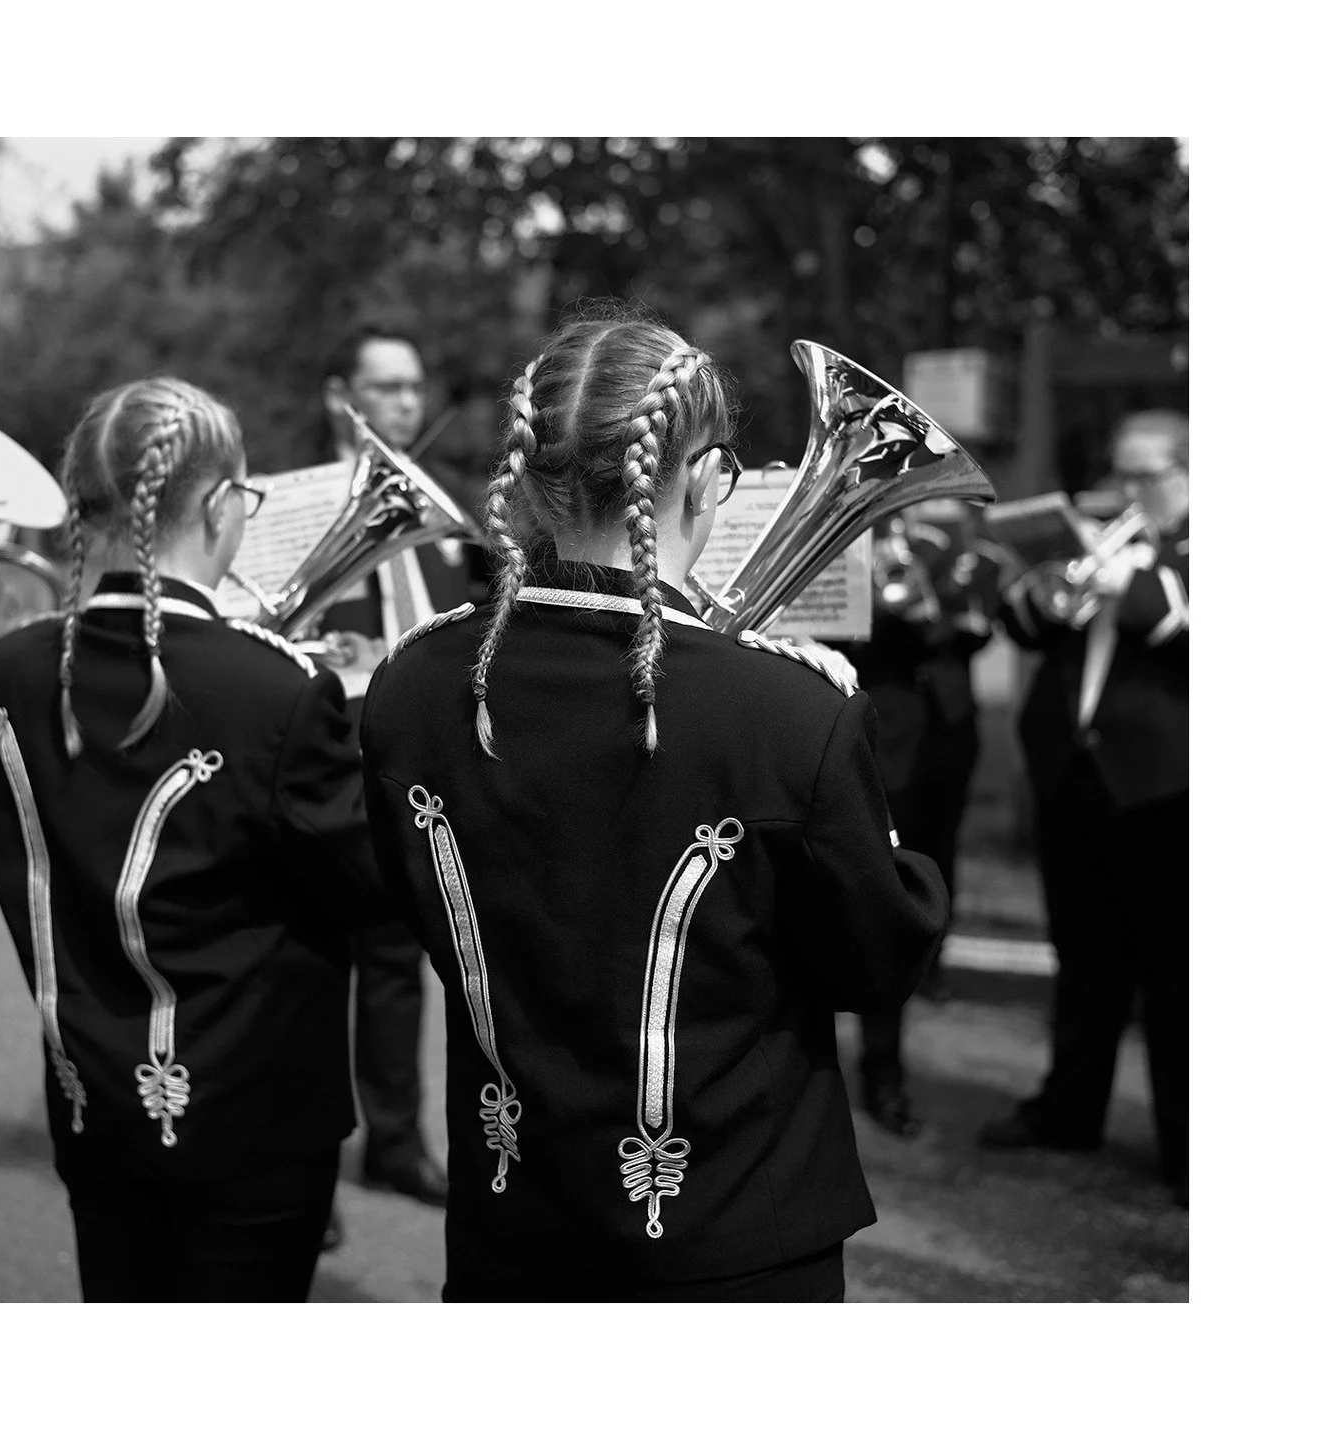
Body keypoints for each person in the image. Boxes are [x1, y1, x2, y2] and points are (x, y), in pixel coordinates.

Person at [358, 305, 950, 1301]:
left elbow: (421, 911)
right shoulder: (791, 711)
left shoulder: (412, 683)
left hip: (512, 1223)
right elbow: (877, 955)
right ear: (714, 479)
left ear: (533, 469)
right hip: (733, 1243)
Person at [0, 377, 388, 1300]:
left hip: (88, 1097)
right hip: (253, 1120)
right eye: (243, 499)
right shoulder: (276, 690)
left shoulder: (14, 665)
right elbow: (371, 884)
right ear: (212, 504)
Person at [979, 411, 1189, 1205]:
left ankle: (1187, 1148)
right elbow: (1023, 630)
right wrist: (1043, 594)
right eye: (1121, 473)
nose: (1128, 490)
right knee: (1084, 959)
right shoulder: (1106, 537)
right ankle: (1069, 1111)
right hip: (1076, 778)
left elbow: (1181, 620)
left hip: (1166, 787)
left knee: (1177, 976)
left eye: (1145, 475)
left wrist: (1119, 579)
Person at [308, 327, 461, 1235]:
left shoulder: (438, 515)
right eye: (387, 386)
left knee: (400, 968)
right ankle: (309, 1167)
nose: (407, 402)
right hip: (326, 769)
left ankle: (396, 1144)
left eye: (414, 387)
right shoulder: (306, 505)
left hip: (412, 778)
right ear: (343, 396)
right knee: (317, 972)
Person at [842, 501, 1009, 1138]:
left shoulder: (956, 537)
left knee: (911, 875)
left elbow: (973, 623)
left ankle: (885, 1070)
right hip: (860, 711)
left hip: (929, 722)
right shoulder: (851, 534)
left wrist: (923, 601)